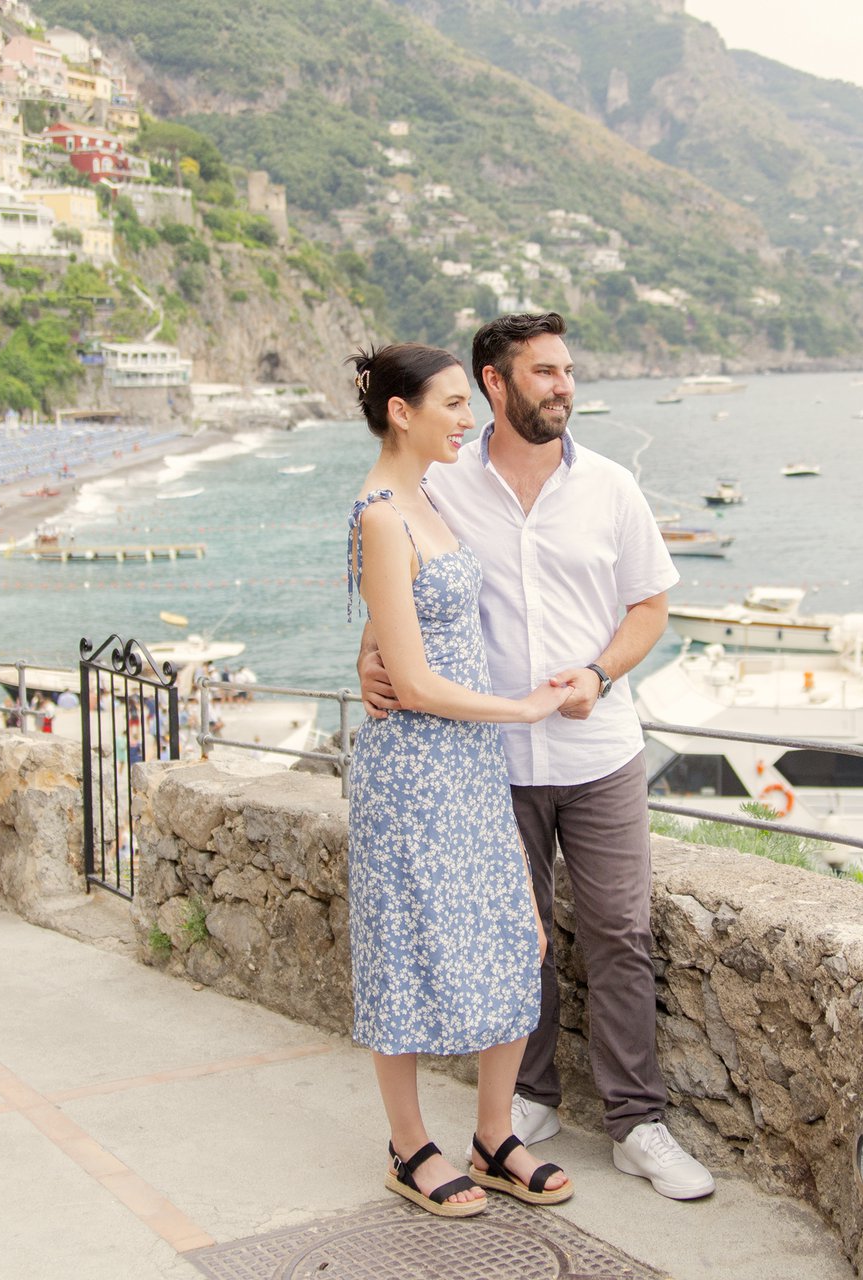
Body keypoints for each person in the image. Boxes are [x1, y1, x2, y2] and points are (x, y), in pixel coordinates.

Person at [361, 313, 713, 1200]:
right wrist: (370, 657)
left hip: (598, 748)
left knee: (620, 933)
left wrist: (598, 671)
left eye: (567, 371)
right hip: (487, 761)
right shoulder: (443, 484)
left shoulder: (613, 487)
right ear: (494, 383)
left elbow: (651, 610)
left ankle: (638, 1124)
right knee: (522, 943)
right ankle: (526, 1106)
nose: (563, 385)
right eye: (545, 371)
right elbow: (398, 587)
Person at [346, 341, 575, 1219]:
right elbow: (411, 679)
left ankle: (491, 1137)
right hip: (413, 770)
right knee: (404, 948)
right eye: (451, 404)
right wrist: (520, 709)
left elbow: (385, 636)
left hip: (469, 766)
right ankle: (409, 1147)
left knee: (522, 940)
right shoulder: (379, 512)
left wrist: (364, 652)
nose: (467, 418)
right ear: (402, 412)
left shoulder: (428, 498)